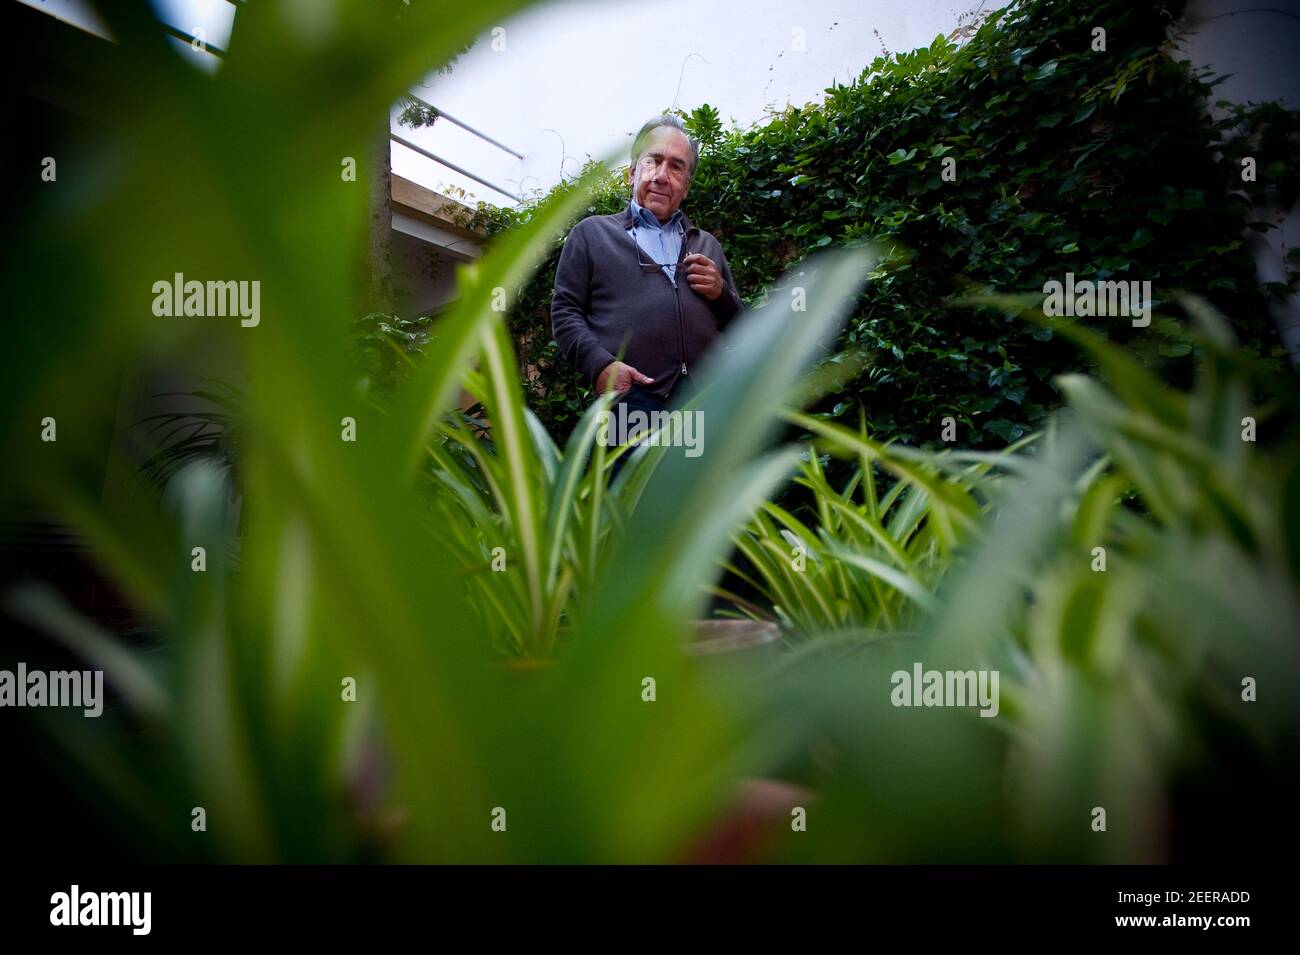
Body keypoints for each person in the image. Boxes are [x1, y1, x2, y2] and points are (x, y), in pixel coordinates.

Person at [550, 114, 743, 472]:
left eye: (676, 166)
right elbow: (564, 312)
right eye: (652, 161)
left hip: (700, 407)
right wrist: (600, 365)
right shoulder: (592, 234)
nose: (660, 175)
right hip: (630, 404)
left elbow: (742, 327)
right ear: (632, 172)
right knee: (624, 513)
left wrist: (722, 293)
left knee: (694, 516)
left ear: (686, 185)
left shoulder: (707, 245)